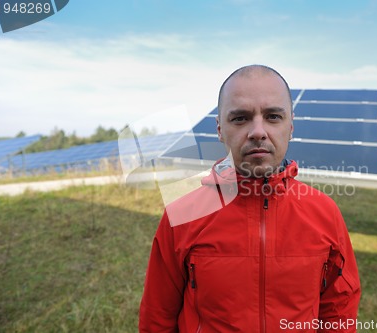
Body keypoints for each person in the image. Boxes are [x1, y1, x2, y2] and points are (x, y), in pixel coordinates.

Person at [139, 65, 361, 332]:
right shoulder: (182, 215)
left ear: (290, 126)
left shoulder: (325, 213)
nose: (258, 131)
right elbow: (158, 316)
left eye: (273, 116)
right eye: (240, 118)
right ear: (220, 129)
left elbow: (339, 308)